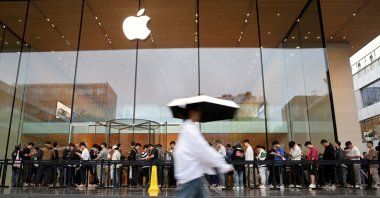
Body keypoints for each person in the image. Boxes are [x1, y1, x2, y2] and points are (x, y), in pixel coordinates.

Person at [173, 103, 233, 198]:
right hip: (192, 176)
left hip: (191, 174)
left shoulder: (186, 128)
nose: (200, 114)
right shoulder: (191, 130)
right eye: (198, 111)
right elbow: (204, 150)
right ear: (192, 112)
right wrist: (222, 165)